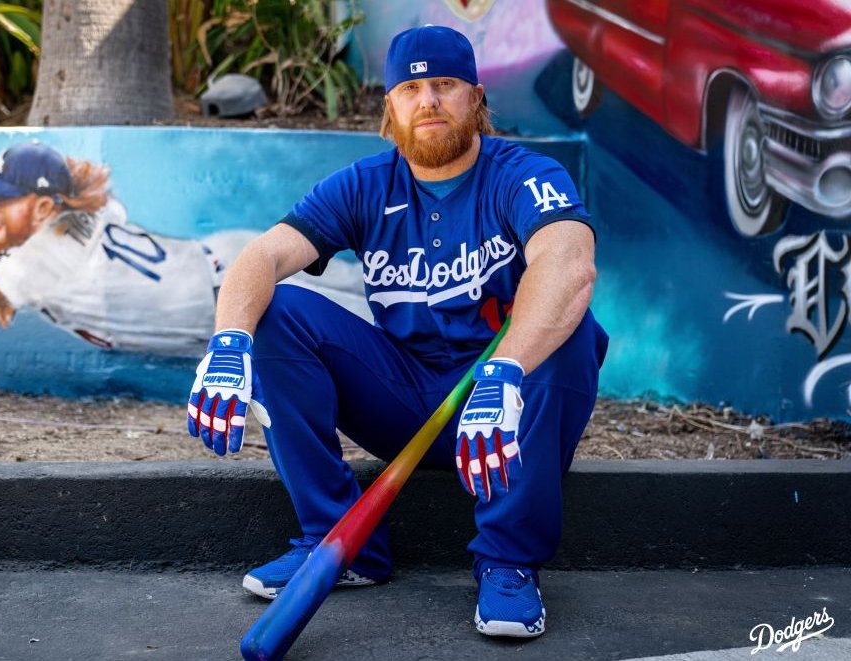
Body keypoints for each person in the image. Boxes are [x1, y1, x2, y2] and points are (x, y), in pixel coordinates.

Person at [186, 25, 609, 637]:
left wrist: (506, 369)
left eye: (445, 84)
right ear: (390, 106)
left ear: (476, 97)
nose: (428, 101)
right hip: (405, 399)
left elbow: (569, 263)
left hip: (505, 409)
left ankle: (509, 562)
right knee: (275, 313)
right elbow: (263, 256)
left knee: (573, 324)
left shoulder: (523, 174)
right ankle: (340, 542)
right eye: (410, 89)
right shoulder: (365, 184)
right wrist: (229, 341)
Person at [0, 142, 368, 356]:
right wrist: (0, 269)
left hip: (235, 290)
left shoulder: (40, 260)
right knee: (379, 300)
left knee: (381, 321)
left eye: (6, 199)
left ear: (44, 206)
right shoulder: (88, 210)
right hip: (223, 264)